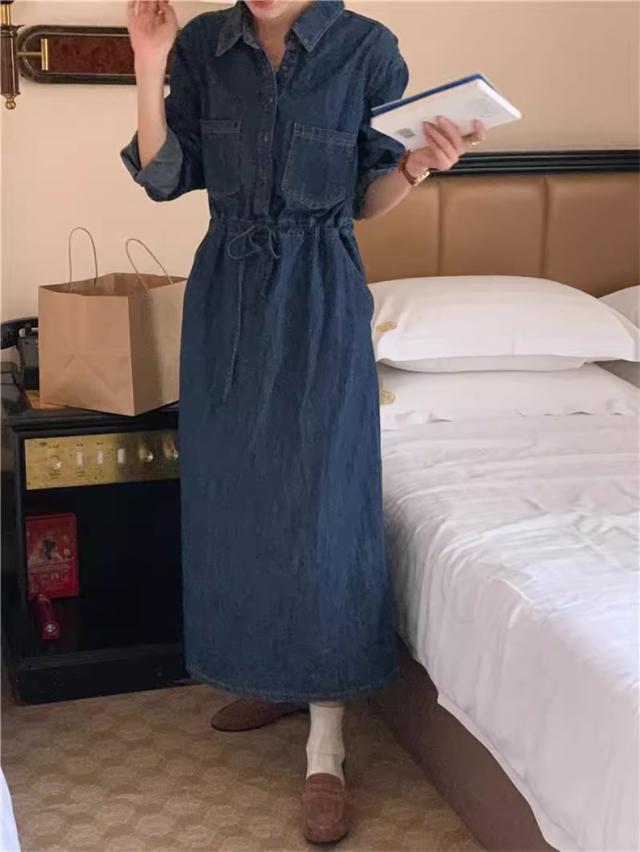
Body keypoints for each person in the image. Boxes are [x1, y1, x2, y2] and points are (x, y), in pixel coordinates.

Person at [121, 0, 486, 842]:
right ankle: (272, 673)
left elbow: (363, 197)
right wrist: (149, 60)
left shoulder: (367, 50)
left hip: (321, 293)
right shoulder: (207, 44)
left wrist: (418, 168)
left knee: (321, 504)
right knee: (238, 496)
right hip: (227, 294)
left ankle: (327, 742)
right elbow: (164, 175)